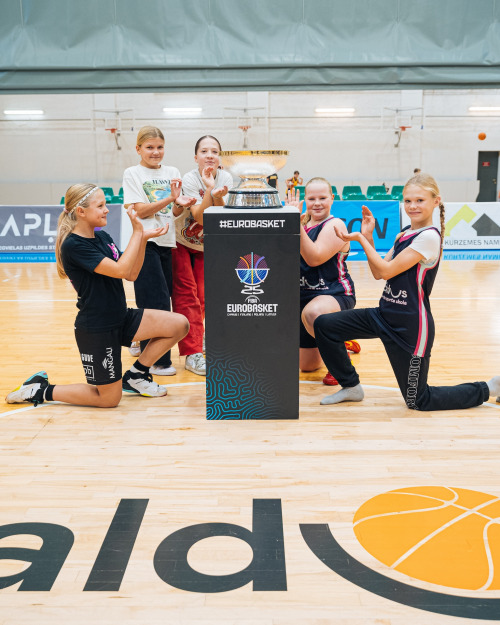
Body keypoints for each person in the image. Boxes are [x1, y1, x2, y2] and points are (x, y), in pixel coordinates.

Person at [313, 172, 500, 409]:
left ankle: (490, 387)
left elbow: (387, 271)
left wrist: (360, 238)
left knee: (418, 400)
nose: (413, 206)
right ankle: (350, 386)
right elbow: (379, 272)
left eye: (420, 200)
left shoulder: (429, 237)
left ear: (436, 201)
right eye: (408, 201)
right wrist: (368, 236)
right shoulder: (404, 233)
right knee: (325, 325)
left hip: (410, 326)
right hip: (383, 315)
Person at [6, 184, 189, 408]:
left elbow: (131, 274)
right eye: (100, 206)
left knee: (179, 325)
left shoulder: (103, 237)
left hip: (121, 317)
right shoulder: (73, 245)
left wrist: (141, 240)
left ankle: (136, 376)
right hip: (97, 327)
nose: (107, 210)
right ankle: (40, 389)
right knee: (108, 399)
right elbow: (121, 269)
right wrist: (138, 233)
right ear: (81, 212)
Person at [122, 126, 195, 375]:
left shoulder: (172, 172)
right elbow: (140, 211)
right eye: (149, 147)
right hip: (145, 242)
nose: (155, 152)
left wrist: (180, 204)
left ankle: (140, 341)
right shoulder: (132, 173)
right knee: (156, 301)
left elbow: (173, 212)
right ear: (138, 149)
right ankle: (157, 361)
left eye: (160, 147)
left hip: (167, 242)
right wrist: (170, 198)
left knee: (164, 299)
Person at [288, 179, 360, 386]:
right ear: (305, 200)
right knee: (307, 366)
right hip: (303, 297)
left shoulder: (335, 225)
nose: (317, 203)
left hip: (333, 294)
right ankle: (338, 338)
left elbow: (315, 258)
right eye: (312, 198)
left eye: (322, 198)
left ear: (332, 199)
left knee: (313, 313)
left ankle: (341, 360)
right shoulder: (302, 224)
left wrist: (294, 224)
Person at [172, 135, 232, 375]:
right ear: (195, 157)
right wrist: (210, 189)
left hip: (206, 246)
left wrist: (216, 192)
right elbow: (200, 217)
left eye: (214, 151)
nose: (209, 155)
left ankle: (198, 335)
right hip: (181, 242)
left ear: (220, 157)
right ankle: (192, 353)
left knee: (204, 297)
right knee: (187, 296)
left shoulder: (226, 178)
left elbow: (222, 215)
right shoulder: (189, 179)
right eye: (204, 151)